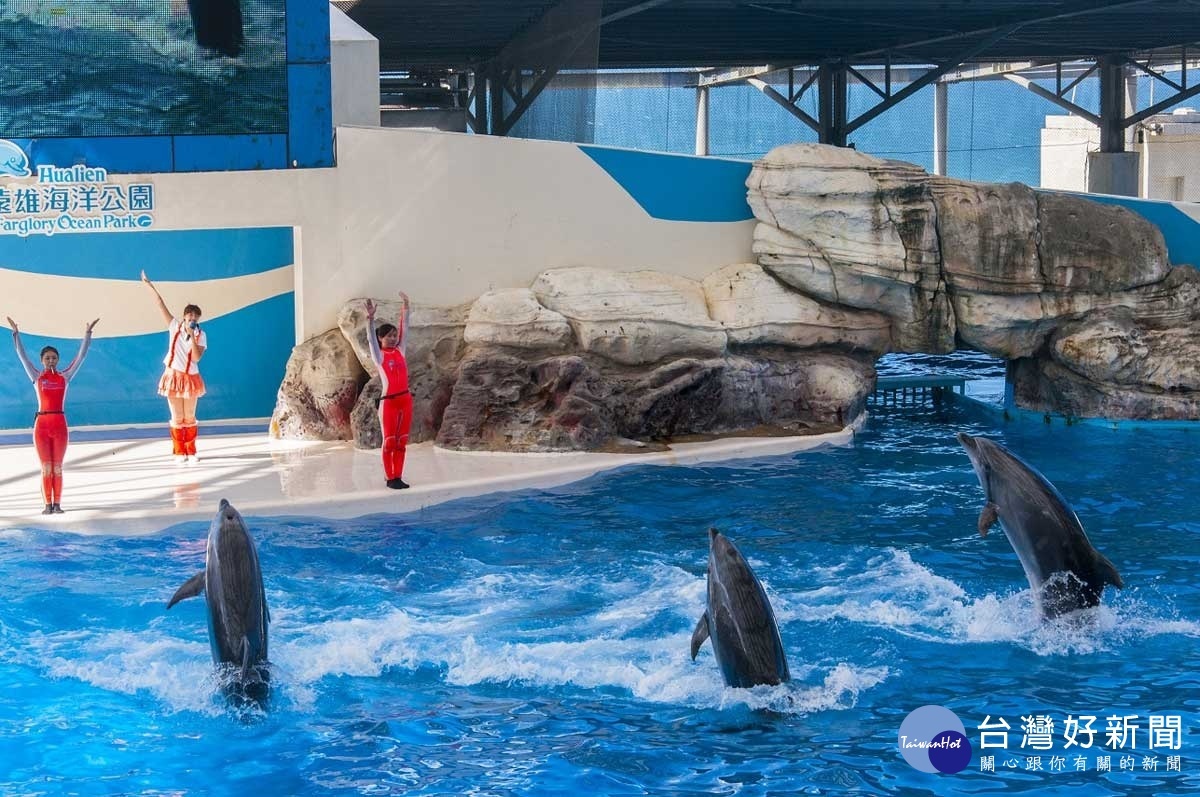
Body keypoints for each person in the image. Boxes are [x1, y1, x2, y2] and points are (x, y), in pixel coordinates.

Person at [7, 316, 99, 514]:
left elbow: (80, 357)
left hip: (59, 424)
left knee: (57, 467)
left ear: (58, 360)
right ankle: (47, 505)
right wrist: (16, 335)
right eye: (47, 358)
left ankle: (57, 504)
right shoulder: (36, 376)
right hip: (42, 425)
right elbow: (22, 356)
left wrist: (87, 334)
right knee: (46, 467)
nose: (51, 360)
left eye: (54, 358)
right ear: (41, 361)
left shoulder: (65, 377)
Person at [142, 270, 207, 464]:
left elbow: (196, 357)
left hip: (191, 377)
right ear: (184, 317)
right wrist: (148, 285)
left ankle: (191, 450)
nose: (191, 319)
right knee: (177, 416)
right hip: (173, 375)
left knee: (190, 415)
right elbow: (160, 303)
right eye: (189, 316)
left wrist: (192, 336)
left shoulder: (201, 335)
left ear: (198, 320)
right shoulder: (174, 326)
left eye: (195, 317)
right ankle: (179, 452)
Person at [365, 294, 412, 489]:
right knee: (390, 441)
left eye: (394, 335)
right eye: (388, 336)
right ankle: (389, 477)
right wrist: (370, 319)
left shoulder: (400, 351)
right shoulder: (380, 356)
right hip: (389, 403)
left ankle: (398, 476)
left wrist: (406, 308)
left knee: (402, 441)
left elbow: (405, 330)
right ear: (380, 339)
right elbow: (369, 339)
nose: (393, 338)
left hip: (406, 400)